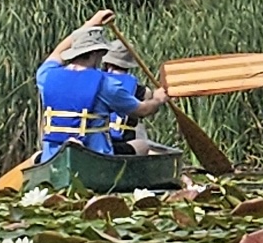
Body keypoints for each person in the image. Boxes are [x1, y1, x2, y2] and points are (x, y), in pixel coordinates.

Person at [35, 13, 168, 162]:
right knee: (142, 145)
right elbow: (142, 110)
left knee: (36, 157)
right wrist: (158, 99)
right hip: (96, 157)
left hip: (53, 156)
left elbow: (57, 53)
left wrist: (92, 22)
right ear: (97, 53)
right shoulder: (106, 84)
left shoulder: (46, 76)